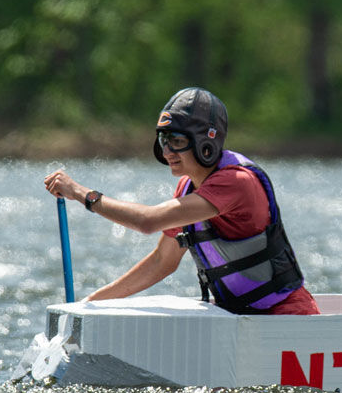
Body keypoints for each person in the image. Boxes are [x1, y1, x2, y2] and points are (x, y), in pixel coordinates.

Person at [43, 87, 319, 315]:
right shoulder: (187, 187)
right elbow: (162, 261)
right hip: (240, 317)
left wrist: (81, 193)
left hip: (286, 316)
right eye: (163, 140)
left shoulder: (237, 183)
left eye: (176, 140)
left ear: (206, 143)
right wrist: (90, 303)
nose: (167, 151)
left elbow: (148, 221)